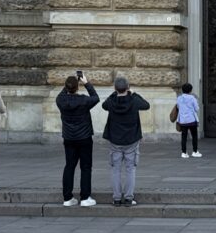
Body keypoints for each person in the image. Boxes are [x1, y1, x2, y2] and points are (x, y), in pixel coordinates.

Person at [102, 76, 150, 207]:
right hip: (131, 140)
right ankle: (128, 198)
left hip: (115, 141)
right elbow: (146, 105)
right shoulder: (134, 100)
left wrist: (114, 93)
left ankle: (117, 198)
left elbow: (104, 105)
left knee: (115, 170)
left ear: (115, 88)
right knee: (130, 170)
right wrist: (134, 93)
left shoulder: (112, 101)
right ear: (128, 87)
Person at [56, 71, 99, 207]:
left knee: (69, 166)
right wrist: (86, 83)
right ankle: (85, 197)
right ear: (77, 87)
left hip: (69, 138)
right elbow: (96, 97)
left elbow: (62, 93)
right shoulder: (84, 100)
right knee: (85, 167)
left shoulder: (61, 101)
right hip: (84, 137)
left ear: (66, 87)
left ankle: (67, 198)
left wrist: (70, 83)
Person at [176, 82, 202, 158]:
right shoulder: (192, 98)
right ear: (190, 90)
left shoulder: (179, 98)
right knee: (194, 136)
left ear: (182, 90)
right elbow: (197, 108)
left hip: (183, 120)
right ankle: (195, 151)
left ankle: (184, 152)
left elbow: (178, 107)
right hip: (192, 120)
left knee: (184, 137)